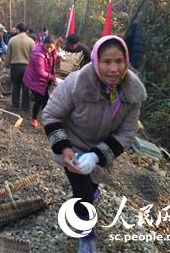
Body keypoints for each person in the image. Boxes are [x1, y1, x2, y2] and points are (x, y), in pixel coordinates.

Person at [42, 35, 147, 252]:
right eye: (106, 61)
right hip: (74, 148)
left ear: (126, 61)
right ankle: (86, 233)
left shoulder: (132, 92)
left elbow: (127, 133)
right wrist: (65, 148)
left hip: (102, 150)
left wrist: (96, 156)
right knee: (83, 194)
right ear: (96, 61)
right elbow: (51, 115)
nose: (113, 69)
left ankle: (92, 190)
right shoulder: (76, 82)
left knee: (93, 183)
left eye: (119, 61)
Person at [23, 35, 61, 128]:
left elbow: (53, 56)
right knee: (39, 100)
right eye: (47, 46)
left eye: (51, 47)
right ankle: (34, 119)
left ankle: (45, 117)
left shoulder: (53, 51)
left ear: (54, 46)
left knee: (46, 100)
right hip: (35, 80)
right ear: (43, 44)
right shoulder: (38, 54)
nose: (48, 49)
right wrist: (54, 78)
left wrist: (58, 56)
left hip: (45, 80)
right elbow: (40, 72)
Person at [4, 22, 34, 112]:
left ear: (17, 30)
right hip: (27, 67)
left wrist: (6, 66)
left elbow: (8, 55)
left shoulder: (12, 40)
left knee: (15, 87)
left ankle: (15, 106)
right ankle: (25, 107)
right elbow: (33, 57)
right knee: (26, 88)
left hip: (15, 67)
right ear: (27, 31)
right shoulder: (31, 41)